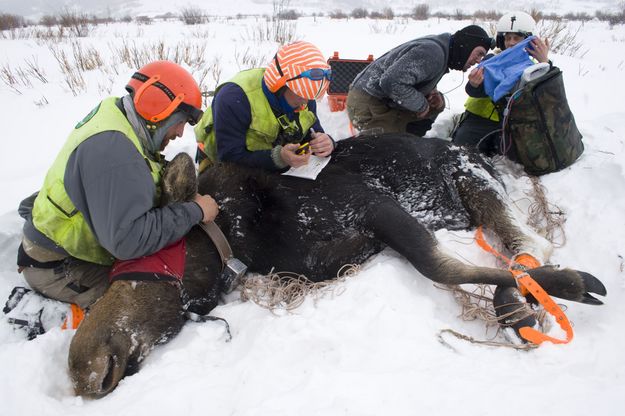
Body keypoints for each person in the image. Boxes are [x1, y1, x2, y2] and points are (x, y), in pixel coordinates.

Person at [16, 60, 219, 309]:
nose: (180, 132)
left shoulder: (119, 116)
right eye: (181, 120)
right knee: (152, 300)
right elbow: (128, 242)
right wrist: (196, 212)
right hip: (59, 266)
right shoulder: (115, 152)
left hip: (66, 241)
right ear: (157, 106)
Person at [195, 41, 335, 172]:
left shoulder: (305, 96)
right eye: (301, 94)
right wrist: (278, 158)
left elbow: (313, 134)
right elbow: (230, 159)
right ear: (279, 85)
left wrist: (326, 142)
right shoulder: (234, 99)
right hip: (221, 167)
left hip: (272, 165)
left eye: (310, 96)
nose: (306, 102)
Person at [346, 25, 493, 136]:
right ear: (467, 45)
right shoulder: (433, 52)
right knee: (389, 151)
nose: (478, 60)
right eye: (479, 53)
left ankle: (409, 139)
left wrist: (432, 92)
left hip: (382, 98)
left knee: (436, 104)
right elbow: (391, 82)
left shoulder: (443, 50)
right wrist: (421, 105)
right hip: (367, 101)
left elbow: (412, 77)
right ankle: (399, 142)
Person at [452, 11, 550, 156]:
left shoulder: (535, 67)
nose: (511, 42)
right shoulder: (492, 60)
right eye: (507, 38)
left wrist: (545, 63)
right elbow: (472, 91)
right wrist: (474, 84)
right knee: (459, 154)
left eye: (516, 38)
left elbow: (547, 96)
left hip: (512, 124)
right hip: (478, 120)